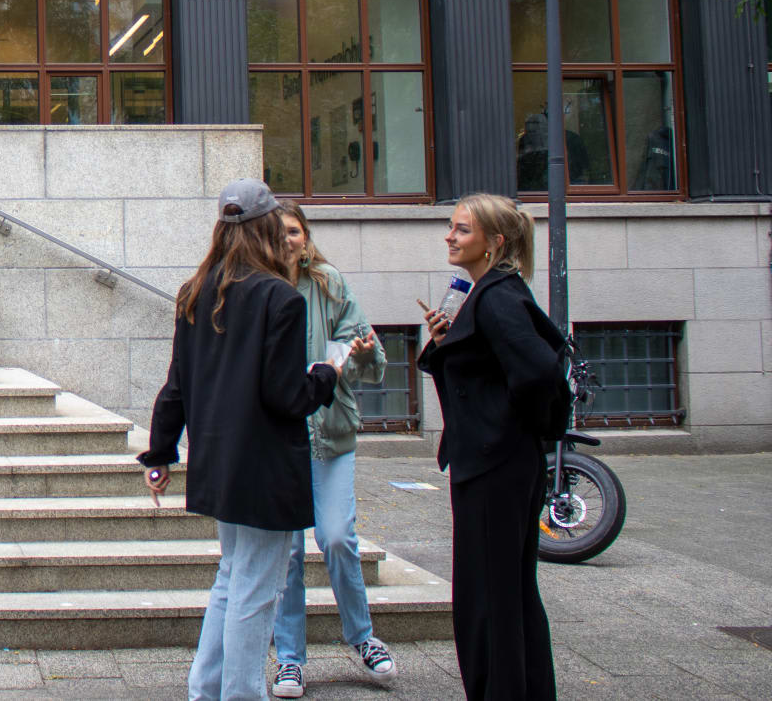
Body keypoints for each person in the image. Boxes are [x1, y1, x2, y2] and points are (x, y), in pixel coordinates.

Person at [140, 179, 341, 701]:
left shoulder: (197, 290)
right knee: (255, 589)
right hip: (265, 465)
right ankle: (239, 693)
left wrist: (160, 453)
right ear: (269, 226)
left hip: (218, 459)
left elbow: (176, 384)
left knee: (232, 579)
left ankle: (206, 690)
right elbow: (287, 396)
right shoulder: (280, 297)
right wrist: (326, 375)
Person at [419, 193, 564, 701]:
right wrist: (447, 343)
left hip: (495, 465)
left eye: (462, 229)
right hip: (497, 462)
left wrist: (502, 429)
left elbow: (540, 372)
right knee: (506, 591)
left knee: (489, 596)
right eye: (451, 226)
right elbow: (491, 369)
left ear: (494, 242)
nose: (450, 236)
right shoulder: (488, 291)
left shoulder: (498, 296)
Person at [269, 203, 396, 698]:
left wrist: (358, 355)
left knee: (338, 537)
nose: (286, 240)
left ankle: (363, 637)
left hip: (329, 433)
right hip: (279, 439)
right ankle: (289, 660)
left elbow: (368, 354)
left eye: (294, 231)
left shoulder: (329, 284)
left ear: (306, 236)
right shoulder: (257, 285)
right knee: (288, 552)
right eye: (277, 232)